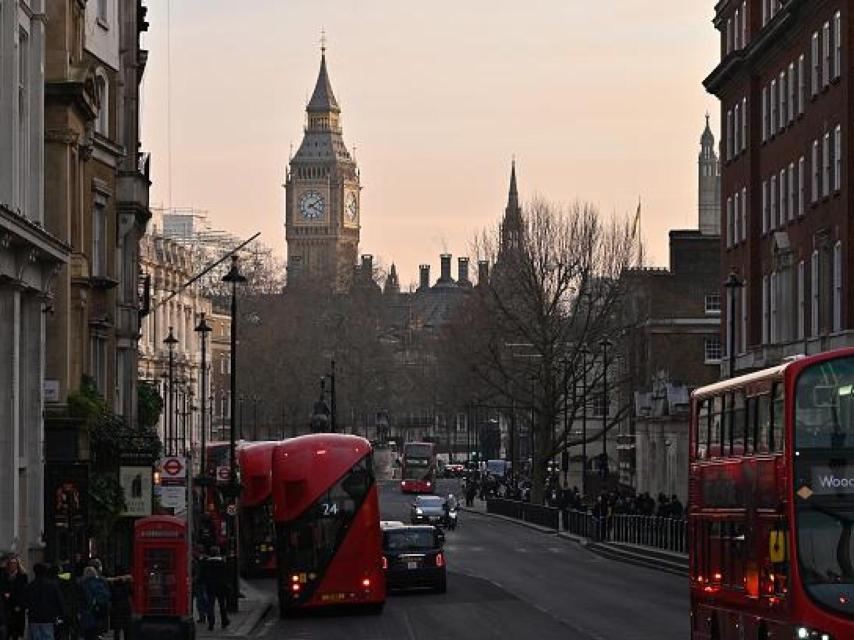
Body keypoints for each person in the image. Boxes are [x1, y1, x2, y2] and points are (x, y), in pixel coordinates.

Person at [23, 563, 65, 640]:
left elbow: (25, 602)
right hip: (48, 617)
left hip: (34, 618)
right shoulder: (52, 585)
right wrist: (61, 616)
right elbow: (59, 601)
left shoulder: (30, 586)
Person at [201, 547, 229, 631]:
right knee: (222, 605)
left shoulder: (206, 563)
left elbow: (202, 575)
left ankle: (211, 624)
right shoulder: (223, 563)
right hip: (221, 586)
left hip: (210, 586)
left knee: (210, 605)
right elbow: (227, 575)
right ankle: (224, 621)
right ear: (218, 553)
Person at [80, 566, 110, 640]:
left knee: (88, 635)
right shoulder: (100, 583)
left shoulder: (84, 584)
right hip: (99, 614)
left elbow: (86, 599)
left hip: (88, 614)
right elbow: (107, 596)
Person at [2, 556, 28, 640]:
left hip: (17, 605)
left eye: (14, 563)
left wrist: (11, 595)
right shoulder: (4, 575)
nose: (12, 565)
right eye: (11, 563)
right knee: (7, 627)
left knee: (16, 627)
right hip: (6, 605)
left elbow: (22, 591)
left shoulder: (22, 576)